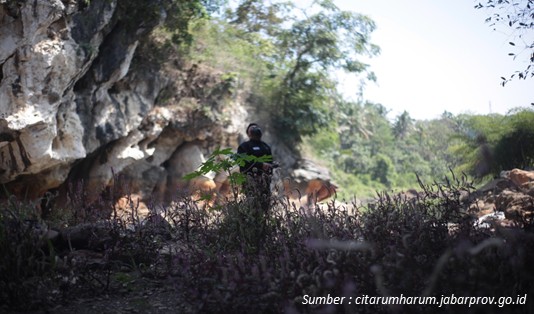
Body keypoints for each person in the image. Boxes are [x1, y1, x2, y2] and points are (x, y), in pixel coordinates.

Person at [237, 123, 275, 212]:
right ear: (248, 133)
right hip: (250, 180)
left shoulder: (265, 146)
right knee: (252, 205)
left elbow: (270, 162)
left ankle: (264, 223)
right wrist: (261, 165)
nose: (255, 129)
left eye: (256, 127)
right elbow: (243, 162)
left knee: (265, 206)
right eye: (252, 128)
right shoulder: (244, 146)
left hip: (264, 181)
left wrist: (271, 167)